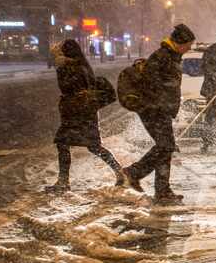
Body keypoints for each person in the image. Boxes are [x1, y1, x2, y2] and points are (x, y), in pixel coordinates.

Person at [121, 24, 196, 204]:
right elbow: (150, 83)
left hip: (161, 109)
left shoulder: (172, 56)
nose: (190, 48)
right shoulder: (161, 56)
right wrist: (161, 102)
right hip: (152, 109)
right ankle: (133, 173)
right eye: (188, 44)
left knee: (166, 148)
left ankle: (162, 191)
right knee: (165, 146)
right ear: (179, 43)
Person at [47, 39, 122, 193]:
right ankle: (120, 172)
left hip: (76, 112)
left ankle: (63, 182)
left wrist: (59, 65)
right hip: (85, 111)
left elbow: (66, 87)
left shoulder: (69, 67)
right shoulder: (82, 65)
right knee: (92, 146)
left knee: (64, 144)